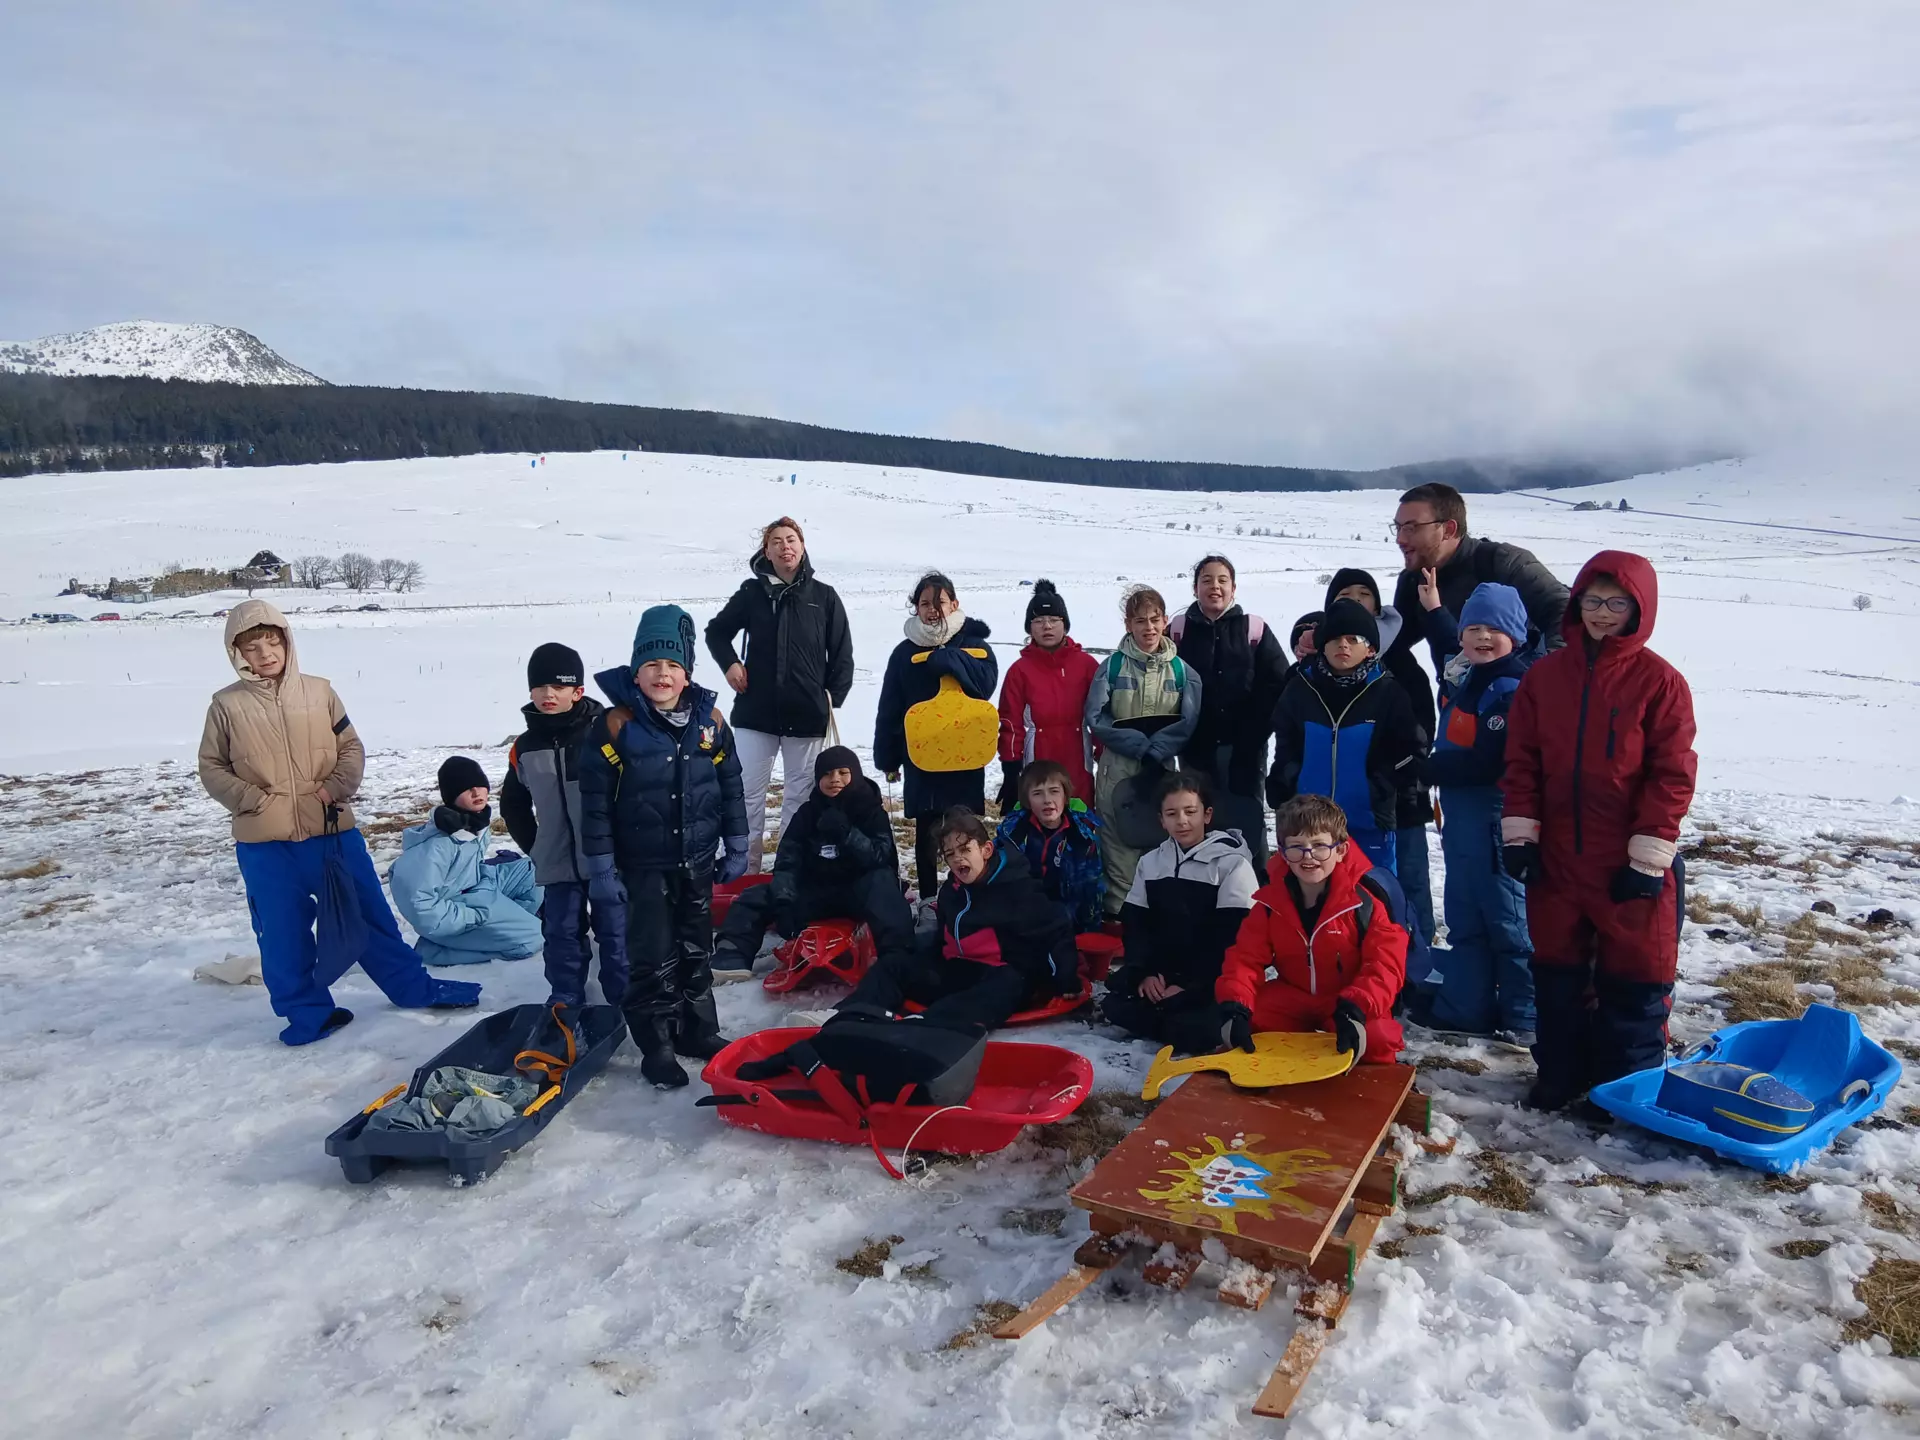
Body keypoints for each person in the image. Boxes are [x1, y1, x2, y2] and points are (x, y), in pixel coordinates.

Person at [196, 600, 480, 1045]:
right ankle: (307, 1014)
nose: (265, 654)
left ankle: (413, 988)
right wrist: (253, 800)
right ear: (237, 653)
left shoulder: (320, 692)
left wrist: (334, 788)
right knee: (282, 933)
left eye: (272, 642)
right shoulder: (226, 706)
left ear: (287, 642)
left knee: (369, 916)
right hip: (266, 845)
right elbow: (211, 767)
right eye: (252, 647)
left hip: (332, 832)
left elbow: (351, 748)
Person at [1502, 552, 1697, 1115]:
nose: (1602, 613)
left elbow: (1672, 773)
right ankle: (1561, 1073)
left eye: (1616, 603)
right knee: (1558, 972)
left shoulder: (1660, 682)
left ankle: (1622, 1092)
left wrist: (1648, 858)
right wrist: (1521, 837)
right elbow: (1523, 762)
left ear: (1639, 608)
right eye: (1592, 600)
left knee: (1634, 978)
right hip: (1558, 855)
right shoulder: (1545, 677)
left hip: (1625, 859)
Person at [580, 605, 750, 1088]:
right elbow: (594, 803)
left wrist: (737, 841)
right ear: (636, 671)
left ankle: (698, 1030)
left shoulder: (710, 722)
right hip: (643, 863)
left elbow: (730, 784)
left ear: (687, 673)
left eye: (673, 664)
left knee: (696, 948)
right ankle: (657, 1044)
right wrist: (602, 867)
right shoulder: (616, 726)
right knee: (652, 954)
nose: (663, 674)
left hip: (697, 859)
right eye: (652, 664)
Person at [1406, 583, 1537, 1043]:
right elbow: (1448, 643)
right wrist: (1435, 610)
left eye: (1493, 629)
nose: (1482, 637)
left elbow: (1491, 762)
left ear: (1515, 635)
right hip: (1461, 823)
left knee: (1509, 919)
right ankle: (1467, 1008)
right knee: (1465, 917)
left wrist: (1428, 767)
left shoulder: (1510, 686)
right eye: (1473, 628)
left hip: (1495, 821)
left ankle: (1526, 1017)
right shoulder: (1469, 674)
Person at [834, 807, 1079, 1032]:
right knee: (893, 964)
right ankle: (847, 1016)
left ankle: (927, 1025)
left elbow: (1056, 928)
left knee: (1008, 983)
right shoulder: (952, 891)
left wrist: (1066, 977)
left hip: (999, 973)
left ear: (986, 850)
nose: (958, 859)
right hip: (957, 970)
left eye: (965, 850)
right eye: (950, 854)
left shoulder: (1016, 888)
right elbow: (943, 937)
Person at [705, 518, 856, 873]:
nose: (785, 546)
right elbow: (717, 632)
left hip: (807, 716)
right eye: (776, 541)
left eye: (791, 539)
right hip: (755, 713)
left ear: (802, 547)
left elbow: (842, 655)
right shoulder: (751, 593)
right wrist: (730, 664)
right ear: (767, 551)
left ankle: (789, 873)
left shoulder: (824, 597)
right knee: (745, 794)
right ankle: (742, 873)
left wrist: (828, 699)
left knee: (800, 798)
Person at [1217, 795, 1406, 1064]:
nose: (1308, 857)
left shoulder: (1363, 902)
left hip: (1346, 999)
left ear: (1341, 850)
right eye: (1297, 847)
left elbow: (1385, 964)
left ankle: (1372, 1078)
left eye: (1319, 846)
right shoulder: (1271, 903)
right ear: (1283, 851)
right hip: (1294, 995)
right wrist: (1235, 1006)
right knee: (1252, 1018)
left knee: (1376, 1038)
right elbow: (1245, 958)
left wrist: (1356, 1007)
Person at [1386, 481, 1570, 746]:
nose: (1400, 539)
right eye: (1398, 527)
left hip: (1524, 724)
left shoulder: (1502, 562)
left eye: (1412, 528)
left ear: (1449, 529)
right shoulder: (1415, 580)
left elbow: (1565, 612)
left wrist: (1541, 681)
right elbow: (1392, 645)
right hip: (1458, 718)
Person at [710, 745, 912, 981]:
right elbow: (788, 860)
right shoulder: (807, 813)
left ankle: (898, 959)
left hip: (859, 891)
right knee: (754, 896)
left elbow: (881, 857)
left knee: (883, 885)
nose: (834, 779)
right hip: (816, 890)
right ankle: (732, 957)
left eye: (842, 773)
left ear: (855, 774)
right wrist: (784, 900)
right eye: (827, 774)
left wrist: (848, 834)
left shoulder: (871, 811)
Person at [500, 642, 629, 1010]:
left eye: (558, 686)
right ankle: (566, 1001)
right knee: (561, 934)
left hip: (606, 860)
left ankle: (625, 1001)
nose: (548, 694)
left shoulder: (604, 736)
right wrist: (536, 846)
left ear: (578, 691)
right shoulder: (524, 748)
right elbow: (513, 804)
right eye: (540, 687)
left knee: (616, 933)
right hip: (556, 863)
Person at [1099, 771, 1257, 1055]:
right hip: (1165, 973)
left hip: (1212, 975)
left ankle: (1180, 1022)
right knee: (1114, 1004)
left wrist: (1192, 987)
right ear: (1161, 820)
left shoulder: (1232, 864)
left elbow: (1233, 939)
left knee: (1201, 1025)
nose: (1182, 821)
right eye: (1172, 814)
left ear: (1207, 815)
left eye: (1190, 811)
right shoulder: (1150, 862)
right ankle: (1168, 1018)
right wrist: (1146, 974)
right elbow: (1137, 925)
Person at [1321, 567, 1437, 944]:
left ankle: (1417, 960)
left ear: (1377, 604)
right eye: (1345, 595)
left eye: (1363, 594)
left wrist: (1394, 774)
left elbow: (1422, 727)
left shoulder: (1400, 661)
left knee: (1408, 882)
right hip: (1342, 803)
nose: (1355, 601)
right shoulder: (1321, 662)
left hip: (1400, 797)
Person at [1268, 599, 1422, 873]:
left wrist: (1380, 787)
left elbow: (1411, 750)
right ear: (1322, 645)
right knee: (1309, 894)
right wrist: (1288, 782)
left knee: (1371, 893)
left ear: (1370, 648)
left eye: (1354, 639)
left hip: (1368, 823)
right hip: (1308, 828)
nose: (1343, 645)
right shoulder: (1300, 689)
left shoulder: (1389, 693)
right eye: (1335, 638)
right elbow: (1286, 746)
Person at [873, 571, 999, 899]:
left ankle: (970, 896)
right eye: (925, 603)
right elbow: (890, 708)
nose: (933, 609)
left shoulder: (976, 646)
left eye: (939, 602)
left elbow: (985, 686)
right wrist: (888, 758)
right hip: (921, 755)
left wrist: (952, 660)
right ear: (916, 608)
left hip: (963, 754)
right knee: (927, 832)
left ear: (954, 604)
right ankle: (929, 900)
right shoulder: (904, 653)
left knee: (965, 830)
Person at [1086, 585, 1202, 915]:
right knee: (1117, 842)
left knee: (1161, 837)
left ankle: (1160, 918)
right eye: (1140, 621)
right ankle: (1120, 918)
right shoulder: (1111, 667)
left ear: (1165, 621)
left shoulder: (1183, 671)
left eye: (1154, 619)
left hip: (1162, 769)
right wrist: (1137, 746)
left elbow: (1189, 720)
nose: (1148, 628)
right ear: (1128, 624)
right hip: (1118, 767)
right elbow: (1096, 716)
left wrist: (1158, 750)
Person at [1172, 555, 1289, 871]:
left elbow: (1277, 684)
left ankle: (1255, 889)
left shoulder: (1253, 629)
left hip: (1245, 750)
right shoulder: (1178, 632)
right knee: (1198, 819)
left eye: (1222, 580)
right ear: (1195, 588)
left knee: (1246, 822)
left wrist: (1254, 731)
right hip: (1196, 750)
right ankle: (1201, 885)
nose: (1215, 586)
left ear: (1233, 588)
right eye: (1206, 580)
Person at [390, 757, 545, 966]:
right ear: (452, 796)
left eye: (480, 785)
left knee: (537, 871)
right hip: (455, 908)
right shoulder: (437, 845)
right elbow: (421, 908)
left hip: (476, 887)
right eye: (466, 788)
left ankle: (501, 930)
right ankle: (436, 951)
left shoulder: (474, 823)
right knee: (534, 939)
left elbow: (468, 868)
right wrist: (473, 916)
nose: (476, 792)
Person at [996, 579, 1098, 812]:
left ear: (1065, 625)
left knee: (1079, 815)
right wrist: (1011, 770)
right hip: (1038, 758)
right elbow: (1010, 723)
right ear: (1030, 628)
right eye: (1039, 621)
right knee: (1042, 816)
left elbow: (1101, 715)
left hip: (1077, 756)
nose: (1047, 626)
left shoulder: (1086, 665)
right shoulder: (1020, 670)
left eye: (1054, 619)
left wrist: (1105, 757)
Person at [994, 759, 1105, 933]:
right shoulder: (1013, 834)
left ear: (1065, 796)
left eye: (1054, 791)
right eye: (1037, 793)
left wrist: (1088, 926)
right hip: (1022, 916)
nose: (1047, 800)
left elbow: (1091, 886)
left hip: (1067, 920)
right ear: (1027, 800)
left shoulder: (1081, 838)